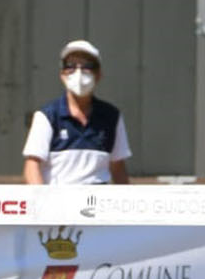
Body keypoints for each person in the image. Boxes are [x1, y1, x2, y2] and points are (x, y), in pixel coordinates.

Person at [22, 39, 131, 185]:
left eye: (87, 66)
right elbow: (32, 167)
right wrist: (43, 203)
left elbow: (118, 169)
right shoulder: (47, 116)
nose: (78, 73)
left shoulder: (112, 117)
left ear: (98, 74)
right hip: (59, 203)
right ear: (62, 75)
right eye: (70, 66)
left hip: (96, 204)